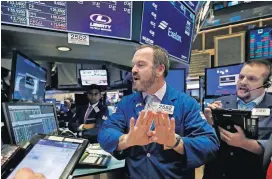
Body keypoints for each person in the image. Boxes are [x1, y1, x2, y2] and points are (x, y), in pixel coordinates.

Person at [98, 45, 219, 179]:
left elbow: (210, 142)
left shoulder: (186, 103)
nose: (133, 70)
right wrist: (127, 140)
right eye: (133, 65)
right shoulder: (126, 103)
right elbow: (105, 132)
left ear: (160, 69)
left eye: (141, 65)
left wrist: (176, 142)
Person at [203, 59, 272, 179]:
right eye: (241, 77)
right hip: (216, 173)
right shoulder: (221, 103)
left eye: (252, 79)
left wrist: (244, 143)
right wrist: (209, 123)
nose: (243, 82)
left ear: (266, 85)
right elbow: (206, 140)